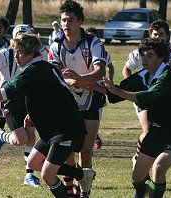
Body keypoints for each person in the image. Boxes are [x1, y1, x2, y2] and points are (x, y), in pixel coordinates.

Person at [0, 33, 95, 198]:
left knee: (47, 175)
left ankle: (79, 179)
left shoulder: (33, 70)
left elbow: (3, 93)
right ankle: (82, 175)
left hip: (65, 128)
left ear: (31, 53)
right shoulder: (44, 66)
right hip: (53, 127)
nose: (16, 56)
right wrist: (33, 113)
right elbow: (55, 93)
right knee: (33, 162)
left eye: (20, 52)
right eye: (15, 51)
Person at [103, 38, 171, 198]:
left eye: (150, 55)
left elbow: (148, 95)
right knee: (137, 177)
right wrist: (84, 83)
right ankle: (141, 192)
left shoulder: (168, 76)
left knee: (159, 167)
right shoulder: (143, 75)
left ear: (160, 58)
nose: (144, 58)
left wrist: (117, 92)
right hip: (156, 132)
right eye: (142, 54)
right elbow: (116, 91)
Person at [48, 1, 106, 197]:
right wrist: (71, 81)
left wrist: (81, 79)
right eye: (63, 20)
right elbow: (54, 74)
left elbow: (100, 71)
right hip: (67, 101)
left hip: (92, 99)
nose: (66, 24)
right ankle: (70, 189)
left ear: (80, 21)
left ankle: (84, 191)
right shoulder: (56, 44)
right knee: (67, 150)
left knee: (86, 151)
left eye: (70, 20)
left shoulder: (93, 43)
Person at [0, 24, 41, 187]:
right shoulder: (4, 54)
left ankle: (29, 175)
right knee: (20, 139)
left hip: (27, 99)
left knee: (31, 136)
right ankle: (1, 136)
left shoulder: (34, 57)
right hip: (9, 100)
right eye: (19, 40)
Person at [121, 20, 171, 170]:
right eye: (155, 34)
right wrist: (129, 85)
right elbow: (126, 68)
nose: (158, 37)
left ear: (167, 36)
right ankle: (140, 158)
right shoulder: (140, 52)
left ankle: (150, 160)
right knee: (148, 130)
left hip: (164, 101)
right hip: (143, 98)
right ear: (150, 35)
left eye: (161, 34)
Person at [85, 27, 115, 150]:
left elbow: (111, 67)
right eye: (88, 36)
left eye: (93, 36)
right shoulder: (81, 51)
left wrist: (110, 80)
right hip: (82, 88)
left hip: (97, 90)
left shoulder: (104, 53)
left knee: (95, 118)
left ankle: (94, 137)